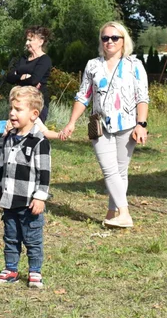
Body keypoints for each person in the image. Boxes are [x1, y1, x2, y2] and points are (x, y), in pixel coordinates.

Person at [58, 22, 149, 228]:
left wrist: (141, 124)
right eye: (105, 38)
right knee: (109, 169)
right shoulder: (93, 65)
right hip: (99, 126)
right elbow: (83, 96)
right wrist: (71, 122)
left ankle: (112, 212)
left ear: (124, 40)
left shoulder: (134, 65)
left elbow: (142, 97)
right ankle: (124, 213)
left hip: (126, 124)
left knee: (120, 171)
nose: (109, 42)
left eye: (114, 38)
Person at [0, 86, 51, 289]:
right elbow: (1, 165)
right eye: (11, 108)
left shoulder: (39, 142)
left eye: (18, 109)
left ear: (34, 114)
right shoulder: (9, 138)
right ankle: (11, 268)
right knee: (10, 237)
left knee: (32, 239)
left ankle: (35, 271)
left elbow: (44, 172)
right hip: (10, 199)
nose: (12, 113)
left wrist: (40, 197)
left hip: (29, 202)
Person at [4, 26, 53, 122]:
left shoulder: (44, 60)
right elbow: (9, 77)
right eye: (26, 40)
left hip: (36, 104)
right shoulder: (23, 59)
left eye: (30, 40)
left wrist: (17, 78)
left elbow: (34, 80)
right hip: (19, 102)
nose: (27, 43)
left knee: (32, 133)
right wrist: (23, 77)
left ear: (40, 42)